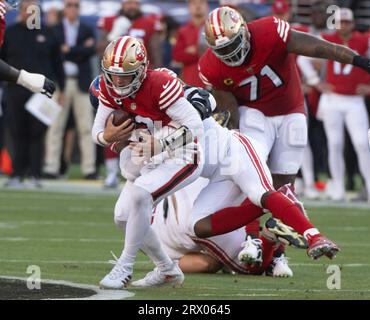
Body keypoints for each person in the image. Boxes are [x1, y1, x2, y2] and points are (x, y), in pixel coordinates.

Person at [196, 6, 370, 239]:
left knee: (284, 182)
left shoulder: (269, 30)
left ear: (245, 31)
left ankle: (275, 249)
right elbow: (231, 110)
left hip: (290, 109)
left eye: (232, 43)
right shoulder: (210, 66)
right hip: (253, 112)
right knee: (249, 173)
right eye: (223, 49)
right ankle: (251, 239)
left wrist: (358, 60)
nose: (230, 52)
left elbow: (319, 47)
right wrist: (235, 138)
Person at [92, 36, 204, 289]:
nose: (118, 81)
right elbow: (97, 131)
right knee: (122, 217)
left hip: (182, 154)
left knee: (141, 196)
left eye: (126, 75)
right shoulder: (107, 87)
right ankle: (167, 269)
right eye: (114, 75)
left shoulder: (160, 84)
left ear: (142, 70)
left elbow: (196, 125)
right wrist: (105, 137)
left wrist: (160, 144)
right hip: (148, 158)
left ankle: (125, 266)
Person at [1, 0, 63, 187]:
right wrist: (21, 79)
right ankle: (17, 173)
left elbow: (57, 63)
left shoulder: (48, 33)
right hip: (15, 88)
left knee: (37, 133)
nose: (30, 12)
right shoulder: (12, 32)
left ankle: (35, 173)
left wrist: (62, 89)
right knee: (17, 131)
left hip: (42, 88)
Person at [314, 8, 370, 202]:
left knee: (362, 143)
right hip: (333, 99)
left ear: (353, 23)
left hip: (354, 100)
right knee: (335, 144)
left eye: (347, 22)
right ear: (336, 23)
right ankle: (337, 188)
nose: (344, 25)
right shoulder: (327, 38)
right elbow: (304, 59)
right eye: (341, 22)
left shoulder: (364, 40)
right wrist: (315, 81)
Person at [43, 0, 97, 179]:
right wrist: (79, 50)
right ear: (64, 9)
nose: (72, 8)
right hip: (61, 82)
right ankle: (51, 166)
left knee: (86, 126)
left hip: (80, 82)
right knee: (55, 125)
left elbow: (91, 51)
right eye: (69, 5)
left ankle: (89, 168)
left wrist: (69, 50)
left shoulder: (87, 29)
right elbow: (53, 53)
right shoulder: (54, 29)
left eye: (75, 5)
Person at [172, 0, 209, 87]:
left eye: (201, 3)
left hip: (212, 81)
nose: (198, 6)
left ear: (207, 6)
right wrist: (203, 50)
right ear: (189, 7)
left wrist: (194, 50)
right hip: (190, 81)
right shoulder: (183, 30)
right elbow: (177, 56)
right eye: (194, 3)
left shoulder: (214, 28)